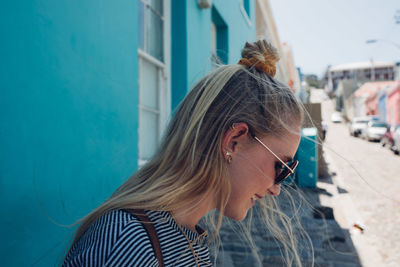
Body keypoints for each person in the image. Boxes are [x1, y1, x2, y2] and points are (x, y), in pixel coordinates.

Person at [63, 40, 305, 267]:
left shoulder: (182, 239)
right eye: (282, 167)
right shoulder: (129, 243)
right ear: (234, 141)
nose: (277, 189)